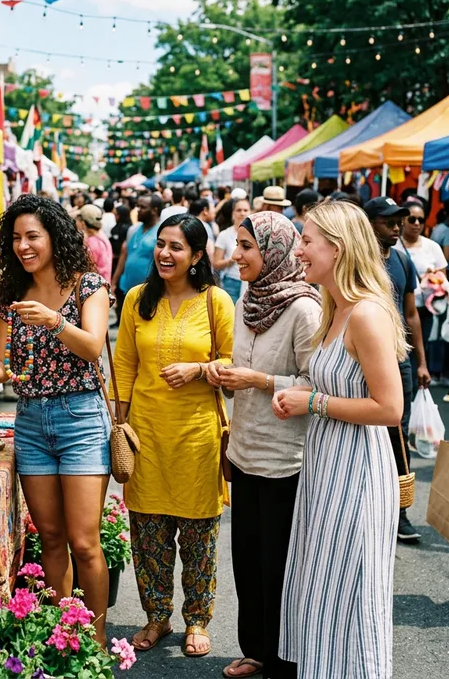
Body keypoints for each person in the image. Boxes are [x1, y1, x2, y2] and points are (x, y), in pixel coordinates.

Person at [0, 196, 114, 644]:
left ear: (54, 237)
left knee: (84, 542)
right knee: (50, 537)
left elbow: (93, 346)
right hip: (29, 421)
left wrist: (53, 321)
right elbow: (4, 366)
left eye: (32, 236)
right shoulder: (12, 294)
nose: (23, 246)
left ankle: (95, 643)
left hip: (81, 418)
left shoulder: (88, 285)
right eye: (16, 239)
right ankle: (66, 636)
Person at [275, 201, 407, 678]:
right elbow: (338, 386)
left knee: (350, 592)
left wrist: (312, 402)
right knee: (325, 589)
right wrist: (303, 394)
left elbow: (390, 408)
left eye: (307, 241)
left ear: (338, 247)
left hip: (358, 471)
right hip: (329, 466)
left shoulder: (366, 314)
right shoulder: (335, 308)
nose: (299, 250)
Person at [112, 215, 235, 658]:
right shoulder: (137, 299)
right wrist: (120, 425)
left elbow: (234, 363)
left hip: (197, 435)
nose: (164, 253)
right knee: (148, 533)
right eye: (161, 244)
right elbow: (124, 364)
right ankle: (157, 616)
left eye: (176, 247)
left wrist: (199, 370)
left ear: (197, 255)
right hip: (145, 434)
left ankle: (197, 619)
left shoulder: (216, 301)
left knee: (199, 535)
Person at [208, 212, 321, 679]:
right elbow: (242, 365)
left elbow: (316, 385)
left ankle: (284, 660)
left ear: (273, 251)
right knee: (248, 562)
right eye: (237, 245)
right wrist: (223, 373)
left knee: (280, 568)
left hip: (286, 460)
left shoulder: (304, 309)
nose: (236, 255)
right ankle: (255, 650)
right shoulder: (247, 300)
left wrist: (257, 379)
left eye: (246, 246)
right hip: (246, 450)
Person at [364, 197, 430, 543]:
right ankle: (369, 506)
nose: (396, 228)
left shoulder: (403, 260)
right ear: (369, 223)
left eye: (399, 222)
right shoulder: (358, 261)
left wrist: (421, 362)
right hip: (363, 360)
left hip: (399, 360)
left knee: (398, 434)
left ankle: (399, 511)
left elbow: (412, 314)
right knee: (366, 431)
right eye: (388, 222)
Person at [394, 199, 449, 381]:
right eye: (412, 219)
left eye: (421, 220)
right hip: (397, 309)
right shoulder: (394, 244)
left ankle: (414, 385)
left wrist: (432, 278)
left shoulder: (432, 247)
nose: (417, 224)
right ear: (403, 221)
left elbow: (443, 282)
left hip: (423, 310)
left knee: (418, 350)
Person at [112, 193, 164, 299]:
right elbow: (123, 255)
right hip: (125, 289)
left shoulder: (162, 232)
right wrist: (113, 282)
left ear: (154, 210)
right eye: (137, 206)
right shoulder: (133, 229)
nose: (138, 210)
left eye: (143, 207)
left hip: (148, 293)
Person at [213, 197, 251, 305]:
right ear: (233, 213)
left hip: (250, 282)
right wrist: (231, 260)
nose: (242, 213)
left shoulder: (255, 234)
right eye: (239, 210)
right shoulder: (224, 235)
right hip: (231, 282)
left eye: (245, 210)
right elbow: (216, 264)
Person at [76, 204, 113, 283]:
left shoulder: (92, 243)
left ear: (83, 223)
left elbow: (86, 268)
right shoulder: (101, 235)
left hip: (95, 285)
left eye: (78, 219)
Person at [110, 204, 133, 325]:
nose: (115, 216)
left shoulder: (128, 230)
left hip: (122, 264)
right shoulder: (117, 228)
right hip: (115, 263)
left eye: (117, 214)